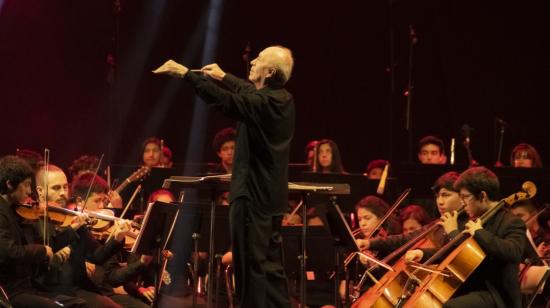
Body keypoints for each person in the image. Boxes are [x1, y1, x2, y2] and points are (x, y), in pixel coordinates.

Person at [153, 45, 295, 307]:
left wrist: (187, 74)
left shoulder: (264, 103)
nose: (253, 61)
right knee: (270, 269)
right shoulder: (280, 98)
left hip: (252, 197)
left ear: (270, 70)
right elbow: (246, 90)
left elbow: (227, 101)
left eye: (259, 59)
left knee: (249, 268)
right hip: (270, 199)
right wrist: (223, 75)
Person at [407, 166, 527, 308]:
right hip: (469, 287)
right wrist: (422, 253)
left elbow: (513, 253)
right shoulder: (476, 221)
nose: (462, 203)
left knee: (451, 307)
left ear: (482, 196)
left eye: (465, 197)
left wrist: (474, 232)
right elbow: (457, 253)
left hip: (495, 295)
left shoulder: (512, 222)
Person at [0, 155, 62, 307]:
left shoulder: (14, 211)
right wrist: (42, 250)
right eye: (26, 185)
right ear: (9, 184)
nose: (29, 191)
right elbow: (10, 252)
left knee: (76, 303)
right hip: (9, 291)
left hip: (26, 286)